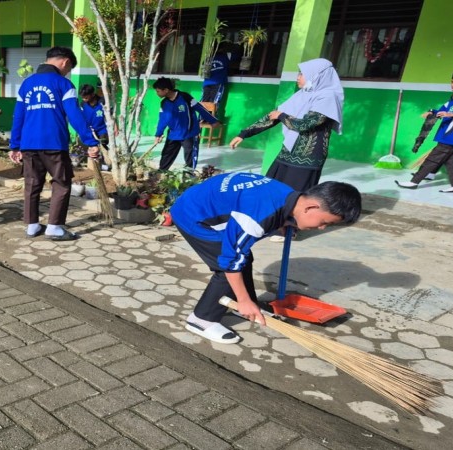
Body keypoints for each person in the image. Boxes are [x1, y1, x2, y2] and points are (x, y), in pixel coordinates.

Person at [171, 172, 361, 343]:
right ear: (311, 206)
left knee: (243, 259)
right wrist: (243, 299)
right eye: (324, 222)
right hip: (193, 216)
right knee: (227, 268)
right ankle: (202, 319)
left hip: (206, 202)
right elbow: (230, 261)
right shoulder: (257, 216)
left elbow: (269, 214)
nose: (322, 228)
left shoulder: (290, 197)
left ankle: (246, 307)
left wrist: (285, 221)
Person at [9, 46, 100, 241]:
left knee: (32, 184)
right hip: (54, 144)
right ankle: (54, 227)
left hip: (29, 144)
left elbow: (18, 116)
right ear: (65, 62)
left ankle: (32, 226)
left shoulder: (26, 84)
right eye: (69, 68)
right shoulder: (64, 84)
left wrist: (14, 145)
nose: (67, 72)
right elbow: (75, 116)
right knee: (61, 183)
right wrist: (90, 141)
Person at [230, 58, 344, 193]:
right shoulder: (302, 94)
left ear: (317, 75)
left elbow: (305, 124)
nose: (298, 77)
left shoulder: (328, 97)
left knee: (294, 197)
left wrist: (282, 116)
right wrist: (244, 134)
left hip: (308, 157)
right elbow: (272, 116)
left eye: (302, 74)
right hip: (287, 153)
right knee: (271, 190)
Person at [396, 70, 453, 193]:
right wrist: (432, 112)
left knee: (432, 159)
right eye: (452, 82)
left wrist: (452, 114)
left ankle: (414, 182)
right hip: (448, 136)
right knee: (451, 161)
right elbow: (441, 110)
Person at [153, 77, 218, 171]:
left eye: (158, 91)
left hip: (189, 134)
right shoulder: (164, 103)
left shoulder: (186, 97)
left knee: (190, 158)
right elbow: (162, 120)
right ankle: (161, 173)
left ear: (166, 90)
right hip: (173, 135)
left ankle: (190, 175)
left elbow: (200, 108)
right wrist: (158, 134)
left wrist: (213, 121)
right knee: (166, 156)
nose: (157, 93)